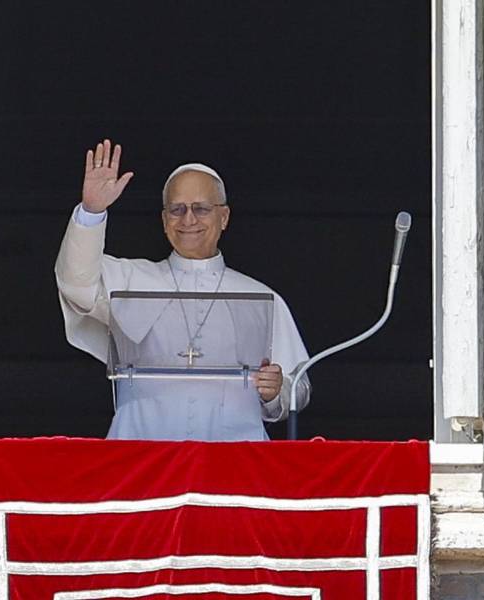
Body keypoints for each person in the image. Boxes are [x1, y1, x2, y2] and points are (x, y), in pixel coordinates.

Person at [56, 139, 310, 441]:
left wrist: (275, 390)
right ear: (164, 221)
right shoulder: (129, 280)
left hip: (235, 453)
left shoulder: (262, 298)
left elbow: (298, 387)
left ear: (224, 217)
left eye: (201, 209)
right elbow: (76, 284)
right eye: (176, 210)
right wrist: (92, 211)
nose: (188, 219)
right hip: (142, 449)